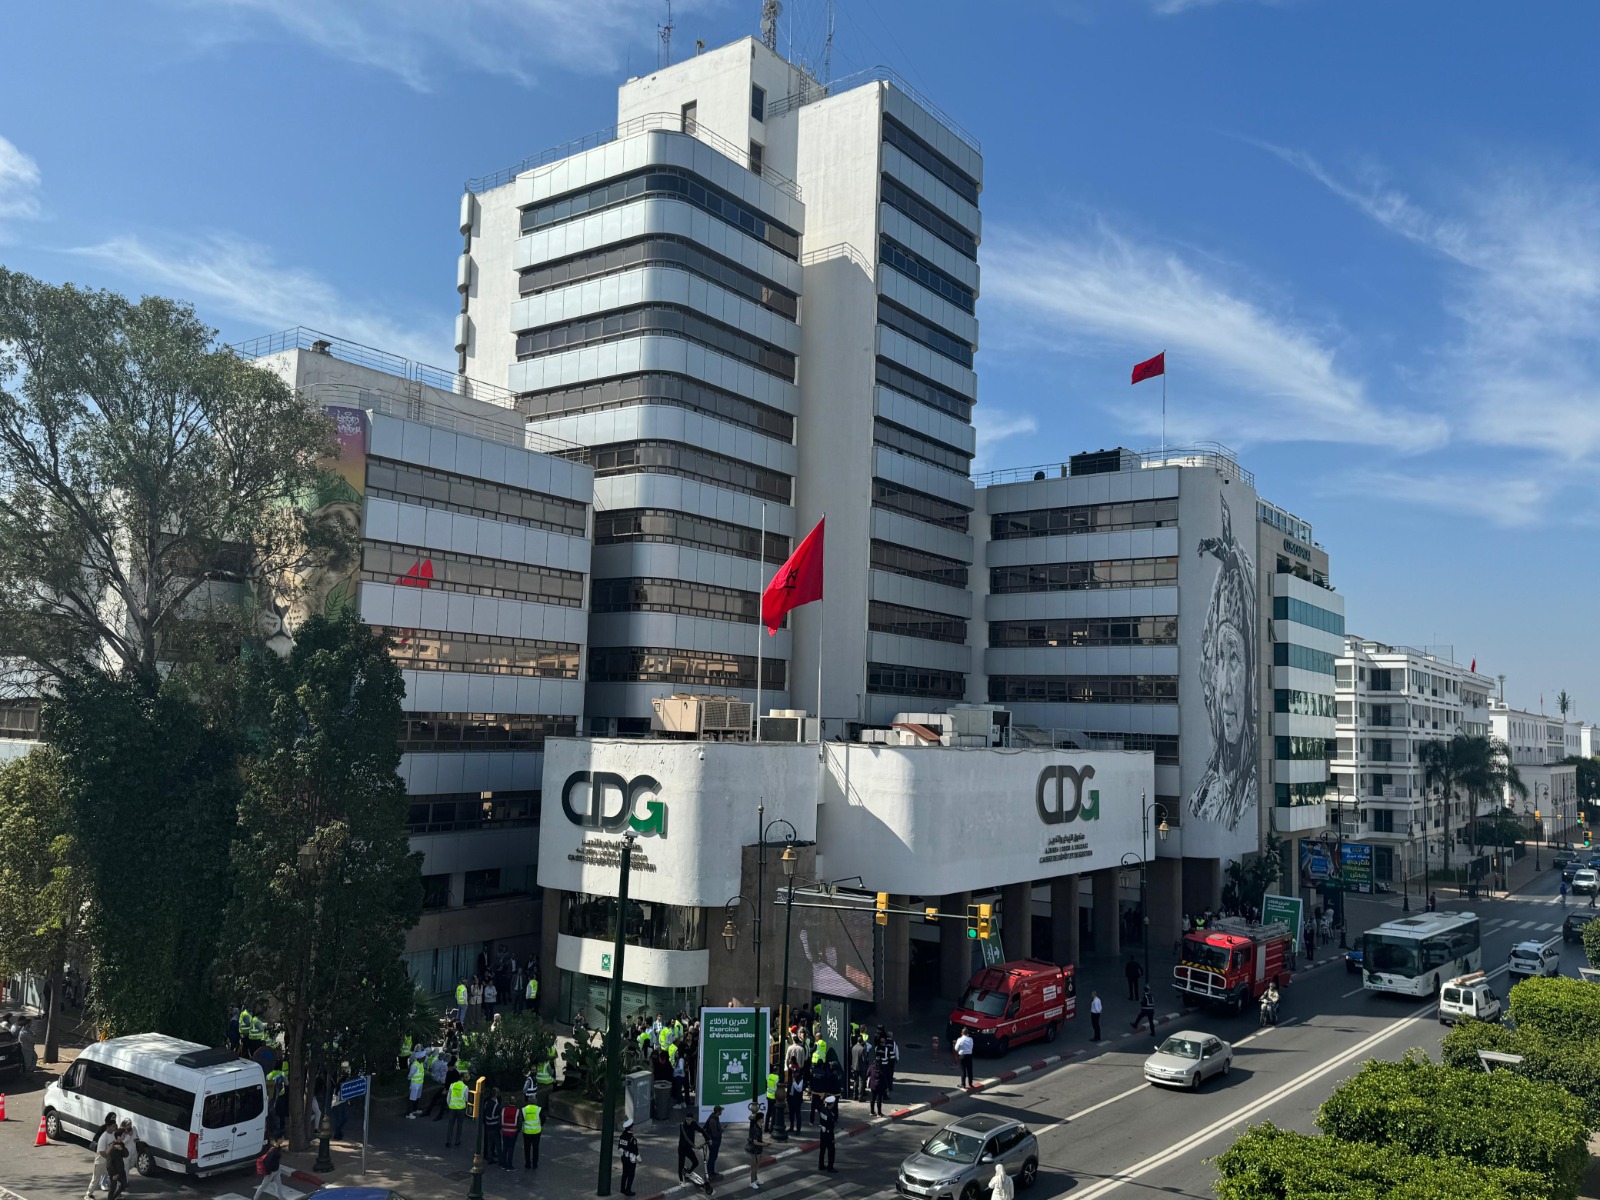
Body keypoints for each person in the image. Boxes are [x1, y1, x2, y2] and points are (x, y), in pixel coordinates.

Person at [86, 1112, 117, 1199]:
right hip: (100, 1162)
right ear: (108, 1126)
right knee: (95, 1179)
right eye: (113, 1126)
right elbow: (102, 1152)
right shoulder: (103, 1137)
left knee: (114, 1176)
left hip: (108, 1162)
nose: (115, 1127)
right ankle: (88, 1194)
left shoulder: (112, 1135)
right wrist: (109, 1156)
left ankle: (114, 1193)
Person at [677, 1111, 704, 1182]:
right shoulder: (682, 1125)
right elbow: (685, 1137)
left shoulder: (694, 1124)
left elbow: (700, 1130)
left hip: (688, 1149)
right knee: (681, 1166)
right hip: (682, 1149)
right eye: (686, 1119)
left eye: (689, 1120)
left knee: (696, 1162)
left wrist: (708, 1137)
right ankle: (681, 1181)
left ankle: (687, 1173)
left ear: (692, 1119)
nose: (687, 1121)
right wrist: (694, 1146)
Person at [746, 1101, 767, 1191]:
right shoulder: (756, 1129)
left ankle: (756, 1179)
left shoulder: (759, 1127)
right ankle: (752, 1182)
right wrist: (764, 1144)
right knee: (754, 1166)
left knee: (757, 1165)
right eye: (763, 1118)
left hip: (759, 1149)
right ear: (760, 1119)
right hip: (754, 1150)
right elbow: (755, 1142)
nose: (764, 1119)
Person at [444, 1073, 468, 1148]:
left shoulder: (452, 1085)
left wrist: (449, 1104)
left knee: (450, 1125)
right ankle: (457, 1141)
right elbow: (467, 1098)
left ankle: (448, 1141)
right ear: (462, 1078)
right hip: (461, 1109)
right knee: (459, 1126)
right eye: (465, 1077)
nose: (466, 1078)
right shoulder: (465, 1087)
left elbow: (448, 1096)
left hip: (452, 1108)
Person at [619, 1118, 641, 1196]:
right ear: (630, 1127)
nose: (632, 1128)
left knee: (624, 1173)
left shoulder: (622, 1136)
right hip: (630, 1158)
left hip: (624, 1157)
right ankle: (628, 1190)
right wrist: (638, 1156)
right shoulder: (632, 1138)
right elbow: (634, 1148)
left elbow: (620, 1146)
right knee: (631, 1174)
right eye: (632, 1126)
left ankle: (622, 1189)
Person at [499, 1090, 521, 1171]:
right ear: (514, 1102)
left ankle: (503, 1164)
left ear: (508, 1102)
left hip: (504, 1132)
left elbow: (500, 1121)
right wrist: (517, 1131)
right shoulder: (517, 1111)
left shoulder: (504, 1110)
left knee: (505, 1148)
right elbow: (519, 1124)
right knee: (511, 1149)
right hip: (513, 1133)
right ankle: (509, 1165)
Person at [480, 1088, 501, 1166]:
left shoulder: (490, 1101)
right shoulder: (492, 1103)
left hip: (488, 1124)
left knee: (490, 1141)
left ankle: (490, 1154)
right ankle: (490, 1155)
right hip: (492, 1125)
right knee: (494, 1141)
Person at [817, 1095, 838, 1172]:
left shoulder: (822, 1109)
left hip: (822, 1132)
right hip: (828, 1134)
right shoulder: (830, 1115)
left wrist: (821, 1098)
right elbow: (830, 1128)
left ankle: (821, 1165)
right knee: (831, 1151)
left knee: (822, 1150)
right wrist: (832, 1139)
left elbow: (818, 1105)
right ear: (831, 1104)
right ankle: (830, 1167)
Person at [520, 1097, 542, 1169]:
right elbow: (543, 1117)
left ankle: (527, 1164)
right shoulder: (538, 1109)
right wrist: (540, 1124)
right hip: (536, 1132)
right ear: (535, 1101)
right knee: (535, 1148)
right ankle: (535, 1164)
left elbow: (522, 1119)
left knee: (527, 1148)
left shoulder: (524, 1109)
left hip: (526, 1132)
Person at [705, 1104, 723, 1179]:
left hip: (715, 1141)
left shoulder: (715, 1118)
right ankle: (709, 1173)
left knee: (713, 1157)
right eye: (721, 1110)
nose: (722, 1112)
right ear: (718, 1111)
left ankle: (712, 1172)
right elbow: (715, 1134)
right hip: (714, 1142)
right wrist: (721, 1131)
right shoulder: (713, 1120)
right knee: (712, 1157)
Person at [850, 1034, 870, 1101]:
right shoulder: (862, 1049)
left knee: (855, 1081)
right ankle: (860, 1096)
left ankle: (854, 1095)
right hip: (861, 1067)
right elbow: (864, 1059)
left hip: (854, 1067)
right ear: (862, 1041)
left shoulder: (853, 1047)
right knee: (861, 1082)